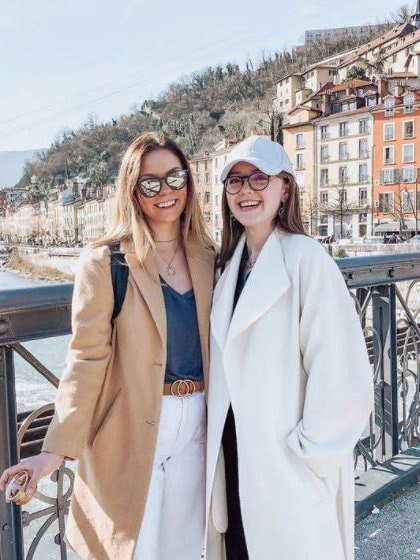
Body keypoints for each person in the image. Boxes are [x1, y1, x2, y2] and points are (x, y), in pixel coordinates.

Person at [0, 132, 216, 560]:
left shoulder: (210, 254)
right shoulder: (107, 262)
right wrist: (52, 455)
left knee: (188, 549)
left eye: (175, 177)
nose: (165, 191)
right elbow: (86, 359)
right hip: (134, 426)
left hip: (201, 424)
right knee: (133, 549)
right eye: (150, 183)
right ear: (132, 191)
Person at [204, 135, 373, 560]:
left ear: (285, 189)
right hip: (236, 457)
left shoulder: (307, 260)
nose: (246, 191)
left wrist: (306, 459)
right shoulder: (227, 268)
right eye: (235, 182)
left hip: (284, 464)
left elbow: (343, 376)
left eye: (260, 178)